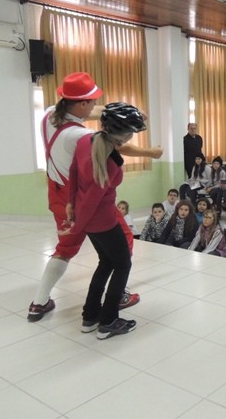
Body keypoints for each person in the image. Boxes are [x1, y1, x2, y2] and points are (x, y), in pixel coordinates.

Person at [27, 73, 162, 322]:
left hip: (59, 192)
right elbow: (115, 145)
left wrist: (128, 111)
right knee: (122, 243)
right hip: (85, 198)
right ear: (81, 104)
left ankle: (39, 302)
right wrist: (150, 152)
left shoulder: (49, 114)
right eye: (91, 101)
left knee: (65, 248)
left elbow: (98, 113)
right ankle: (118, 294)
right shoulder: (81, 136)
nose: (94, 106)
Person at [64, 102, 148, 339]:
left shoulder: (85, 141)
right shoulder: (111, 164)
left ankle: (90, 316)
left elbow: (73, 171)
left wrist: (71, 204)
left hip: (90, 220)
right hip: (103, 222)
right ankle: (109, 321)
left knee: (106, 262)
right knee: (123, 264)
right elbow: (93, 201)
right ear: (123, 136)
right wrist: (75, 229)